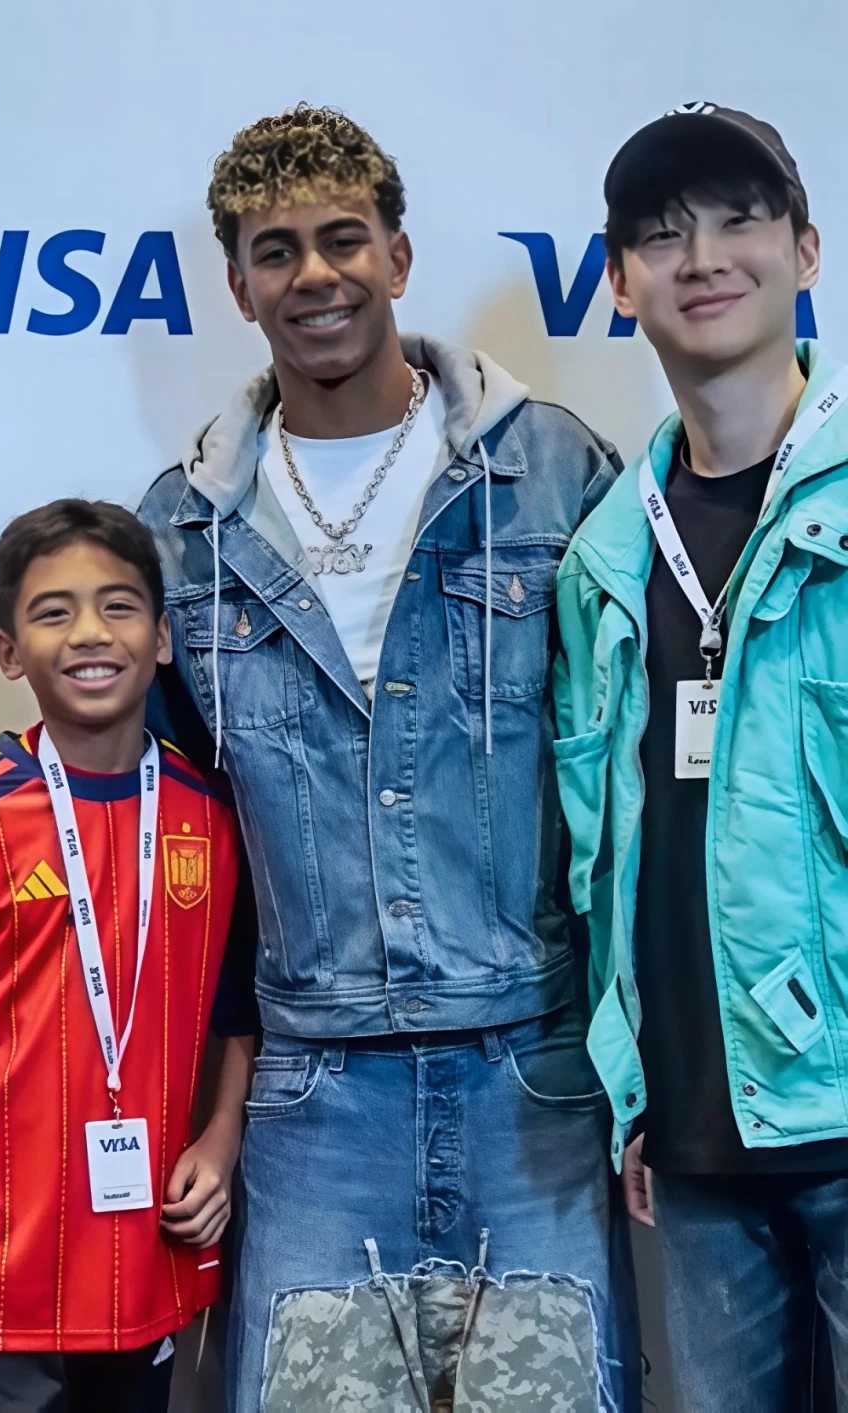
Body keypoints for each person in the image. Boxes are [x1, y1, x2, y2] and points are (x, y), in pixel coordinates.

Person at [135, 104, 639, 1411]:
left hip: (539, 1075)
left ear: (399, 259)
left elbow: (630, 782)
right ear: (239, 285)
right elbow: (170, 842)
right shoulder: (182, 530)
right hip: (311, 1106)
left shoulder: (553, 472)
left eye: (343, 239)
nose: (315, 275)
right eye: (277, 250)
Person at [554, 103, 848, 1411]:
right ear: (619, 283)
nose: (702, 257)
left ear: (807, 249)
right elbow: (602, 849)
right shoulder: (604, 554)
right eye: (660, 236)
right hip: (696, 1142)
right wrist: (633, 1092)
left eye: (738, 220)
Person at [0, 499, 255, 1413]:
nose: (91, 633)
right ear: (8, 651)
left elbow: (239, 1007)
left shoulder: (213, 813)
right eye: (53, 612)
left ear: (164, 637)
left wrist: (222, 1136)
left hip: (147, 1267)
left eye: (119, 605)